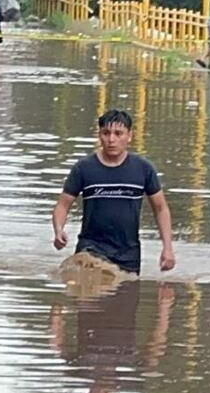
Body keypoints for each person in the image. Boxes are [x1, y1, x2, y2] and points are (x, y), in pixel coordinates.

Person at [51, 109, 176, 276]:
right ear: (99, 135)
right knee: (87, 298)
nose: (111, 139)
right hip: (90, 249)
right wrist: (59, 230)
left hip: (128, 254)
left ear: (129, 136)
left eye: (118, 133)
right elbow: (63, 205)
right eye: (106, 133)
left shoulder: (143, 169)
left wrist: (167, 248)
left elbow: (161, 208)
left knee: (124, 298)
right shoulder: (84, 168)